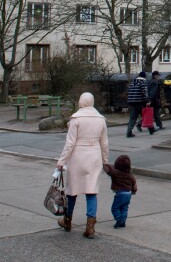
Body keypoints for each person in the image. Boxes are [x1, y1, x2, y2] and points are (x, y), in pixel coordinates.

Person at [56, 92, 110, 239]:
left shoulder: (76, 119)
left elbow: (70, 143)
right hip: (94, 156)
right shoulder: (100, 119)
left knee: (72, 191)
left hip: (77, 157)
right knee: (92, 191)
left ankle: (67, 221)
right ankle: (90, 228)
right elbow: (104, 143)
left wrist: (61, 162)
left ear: (81, 102)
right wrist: (105, 160)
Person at [103, 154, 137, 229]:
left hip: (120, 194)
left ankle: (119, 219)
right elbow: (134, 184)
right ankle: (123, 222)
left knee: (115, 208)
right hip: (128, 194)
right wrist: (134, 191)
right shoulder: (130, 175)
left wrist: (104, 164)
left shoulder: (116, 173)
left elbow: (109, 171)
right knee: (124, 208)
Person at [126, 72, 149, 137]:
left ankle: (129, 131)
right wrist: (147, 101)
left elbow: (128, 91)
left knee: (132, 118)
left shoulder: (132, 82)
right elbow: (144, 92)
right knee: (146, 116)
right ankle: (151, 129)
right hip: (140, 102)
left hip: (132, 102)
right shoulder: (143, 82)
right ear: (144, 77)